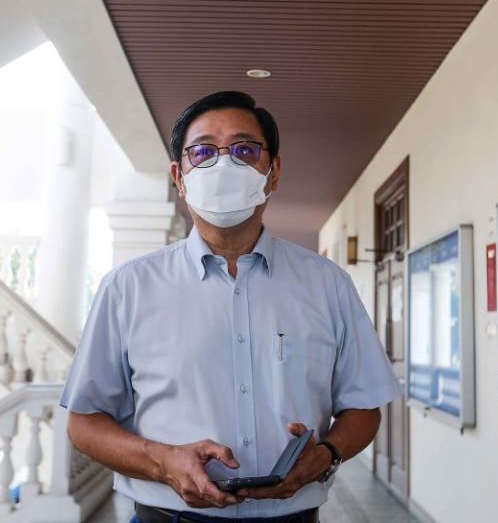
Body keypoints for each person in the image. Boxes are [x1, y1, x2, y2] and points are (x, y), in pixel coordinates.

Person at [60, 91, 401, 523]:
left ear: (273, 172)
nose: (223, 165)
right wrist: (162, 461)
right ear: (179, 177)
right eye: (202, 152)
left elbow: (364, 406)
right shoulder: (128, 289)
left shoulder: (327, 286)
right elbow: (84, 423)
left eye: (244, 150)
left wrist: (327, 454)